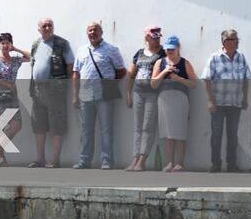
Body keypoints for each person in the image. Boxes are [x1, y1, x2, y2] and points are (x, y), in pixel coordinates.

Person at [72, 20, 126, 170]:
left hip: (104, 95)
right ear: (86, 33)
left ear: (101, 32)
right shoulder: (81, 50)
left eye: (95, 30)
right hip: (85, 94)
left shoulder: (111, 49)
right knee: (86, 130)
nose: (92, 33)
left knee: (106, 129)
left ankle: (107, 161)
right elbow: (76, 73)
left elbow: (121, 71)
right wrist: (75, 96)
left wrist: (109, 84)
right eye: (89, 30)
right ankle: (84, 161)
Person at [202, 28, 251, 173]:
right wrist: (210, 100)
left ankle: (232, 165)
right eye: (233, 39)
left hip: (235, 103)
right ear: (224, 42)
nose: (237, 42)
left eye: (237, 39)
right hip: (218, 103)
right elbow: (206, 79)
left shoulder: (241, 57)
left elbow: (246, 79)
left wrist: (245, 98)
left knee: (233, 135)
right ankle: (216, 164)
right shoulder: (215, 57)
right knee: (216, 134)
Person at [28, 17, 72, 168]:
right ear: (39, 29)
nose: (47, 28)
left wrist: (63, 84)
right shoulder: (36, 44)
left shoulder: (62, 43)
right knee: (38, 124)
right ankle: (39, 158)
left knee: (56, 124)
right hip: (37, 90)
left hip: (55, 90)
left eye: (50, 26)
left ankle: (55, 159)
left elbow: (70, 65)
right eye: (44, 26)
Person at [151, 35, 197, 172]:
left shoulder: (184, 63)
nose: (170, 52)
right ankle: (170, 162)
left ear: (178, 48)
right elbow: (153, 84)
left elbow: (194, 84)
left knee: (180, 132)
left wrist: (178, 79)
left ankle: (180, 162)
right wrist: (164, 72)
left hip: (180, 99)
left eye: (172, 49)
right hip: (164, 99)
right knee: (168, 133)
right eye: (167, 49)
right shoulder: (160, 63)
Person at [125, 25, 164, 172]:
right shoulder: (139, 53)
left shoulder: (162, 53)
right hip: (138, 92)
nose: (157, 40)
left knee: (148, 127)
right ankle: (134, 158)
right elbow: (130, 74)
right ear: (147, 37)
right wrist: (128, 94)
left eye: (158, 37)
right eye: (154, 37)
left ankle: (142, 159)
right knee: (138, 127)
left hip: (153, 93)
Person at [0, 32, 30, 166]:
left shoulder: (15, 58)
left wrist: (16, 49)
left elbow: (31, 57)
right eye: (3, 43)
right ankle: (0, 159)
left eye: (7, 43)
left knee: (16, 125)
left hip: (11, 96)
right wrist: (9, 85)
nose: (5, 45)